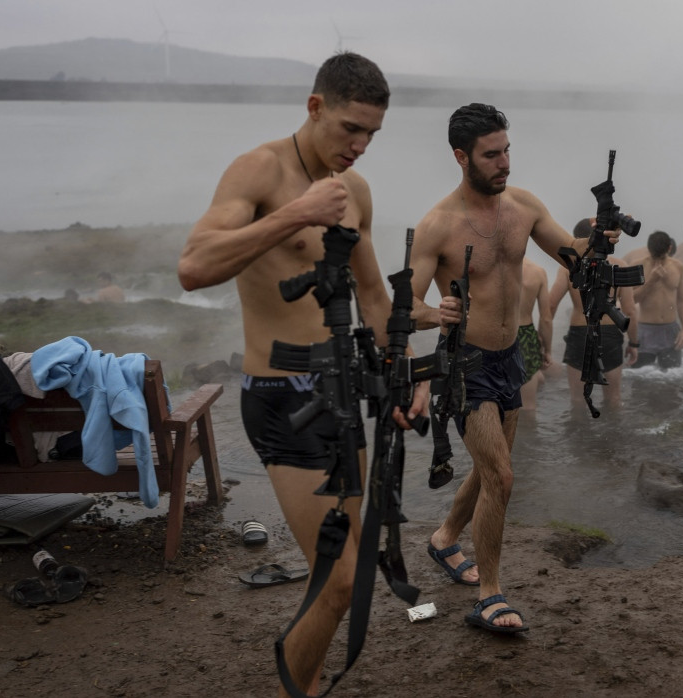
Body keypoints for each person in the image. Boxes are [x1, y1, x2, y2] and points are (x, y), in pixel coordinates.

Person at [176, 52, 427, 694]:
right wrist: (296, 213)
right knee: (337, 579)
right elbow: (194, 266)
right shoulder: (260, 168)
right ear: (315, 108)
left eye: (371, 133)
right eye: (350, 128)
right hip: (280, 398)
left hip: (342, 396)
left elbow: (373, 300)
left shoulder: (356, 193)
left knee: (347, 570)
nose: (360, 146)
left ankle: (308, 683)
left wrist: (406, 373)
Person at [407, 104, 622, 634]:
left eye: (507, 150)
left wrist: (597, 240)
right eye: (491, 154)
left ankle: (443, 540)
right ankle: (490, 595)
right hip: (466, 363)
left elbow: (569, 254)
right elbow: (402, 307)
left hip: (511, 358)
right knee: (501, 474)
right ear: (461, 157)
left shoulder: (524, 206)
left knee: (489, 470)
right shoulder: (437, 226)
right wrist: (437, 312)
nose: (504, 163)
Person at [548, 218, 639, 406]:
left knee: (577, 400)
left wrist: (545, 344)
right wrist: (634, 343)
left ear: (577, 240)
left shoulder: (568, 269)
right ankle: (615, 435)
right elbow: (630, 310)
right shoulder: (619, 264)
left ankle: (579, 435)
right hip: (609, 334)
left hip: (580, 333)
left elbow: (550, 305)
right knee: (614, 399)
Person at [631, 230, 683, 369]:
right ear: (649, 250)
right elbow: (631, 300)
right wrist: (651, 281)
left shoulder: (678, 267)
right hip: (645, 331)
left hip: (670, 331)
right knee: (640, 381)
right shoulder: (637, 265)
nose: (658, 261)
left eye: (662, 258)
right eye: (654, 257)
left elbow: (682, 300)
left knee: (672, 380)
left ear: (669, 249)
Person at [516, 258, 552, 411]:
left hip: (493, 335)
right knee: (528, 407)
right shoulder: (537, 271)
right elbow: (546, 319)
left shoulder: (487, 266)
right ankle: (528, 434)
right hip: (525, 336)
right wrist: (547, 350)